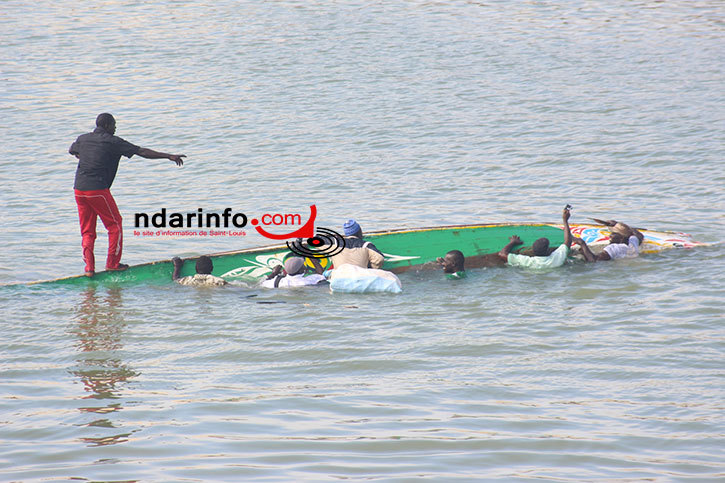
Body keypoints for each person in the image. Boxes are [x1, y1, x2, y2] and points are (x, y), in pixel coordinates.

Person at [70, 113, 186, 277]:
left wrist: (89, 158)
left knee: (87, 231)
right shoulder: (113, 142)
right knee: (115, 224)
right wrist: (169, 156)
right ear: (108, 125)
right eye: (114, 125)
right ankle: (112, 264)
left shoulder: (83, 138)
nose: (116, 128)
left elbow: (73, 151)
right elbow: (143, 152)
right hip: (98, 190)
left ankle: (89, 268)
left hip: (79, 189)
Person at [498, 206, 574, 269]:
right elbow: (568, 241)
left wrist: (513, 242)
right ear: (548, 251)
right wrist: (565, 220)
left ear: (533, 252)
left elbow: (501, 254)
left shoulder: (527, 262)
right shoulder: (556, 259)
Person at [575, 218, 645, 262]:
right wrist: (617, 224)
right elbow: (639, 235)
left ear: (621, 238)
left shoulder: (615, 248)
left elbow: (594, 260)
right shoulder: (632, 242)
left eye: (613, 233)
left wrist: (582, 244)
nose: (610, 235)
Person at [261, 257, 327, 288]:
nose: (305, 266)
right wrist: (309, 253)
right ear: (301, 270)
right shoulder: (308, 280)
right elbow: (322, 274)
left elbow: (262, 283)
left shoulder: (277, 282)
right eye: (303, 265)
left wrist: (273, 273)